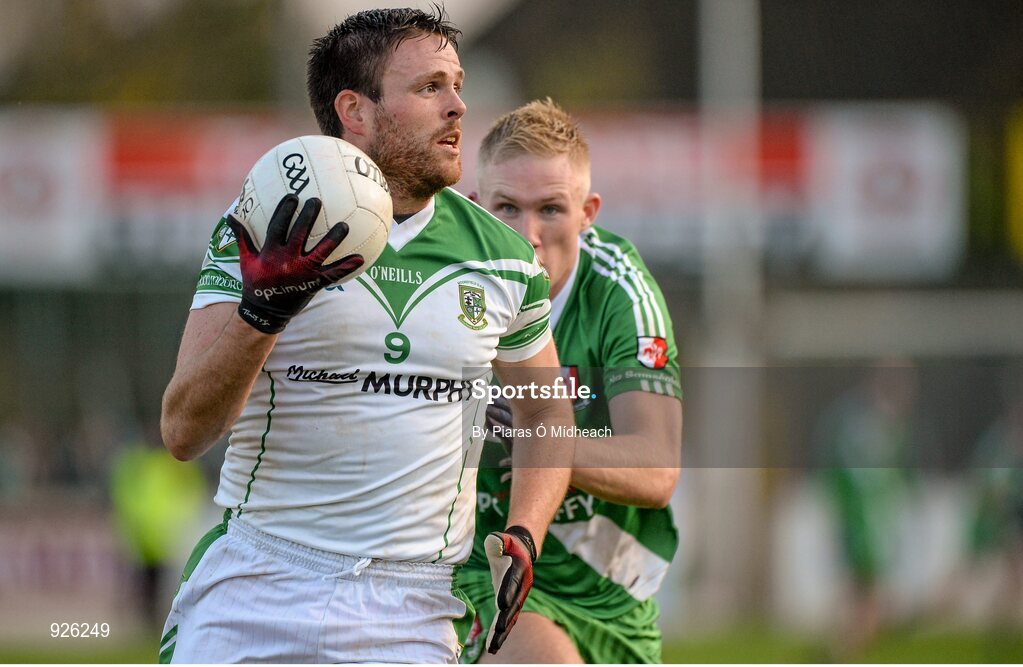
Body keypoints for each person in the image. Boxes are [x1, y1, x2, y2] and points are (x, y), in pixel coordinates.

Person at [158, 9, 575, 663]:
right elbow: (183, 430)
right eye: (429, 87)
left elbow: (545, 405)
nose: (458, 106)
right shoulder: (265, 227)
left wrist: (526, 528)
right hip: (258, 585)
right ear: (355, 109)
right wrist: (261, 313)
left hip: (410, 608)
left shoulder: (505, 255)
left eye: (456, 84)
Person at [456, 99, 683, 663]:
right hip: (483, 566)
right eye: (506, 207)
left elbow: (656, 467)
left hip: (611, 592)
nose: (528, 235)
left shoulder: (622, 294)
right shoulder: (443, 287)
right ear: (474, 206)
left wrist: (535, 434)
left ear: (588, 212)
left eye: (551, 210)